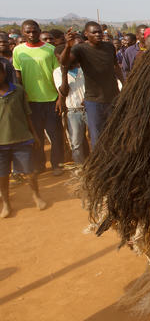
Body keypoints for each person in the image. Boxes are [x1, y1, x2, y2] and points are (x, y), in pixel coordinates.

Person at [59, 22, 123, 148]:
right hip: (94, 100)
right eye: (94, 32)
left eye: (100, 31)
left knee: (115, 133)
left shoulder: (109, 47)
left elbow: (116, 67)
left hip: (113, 98)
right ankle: (99, 164)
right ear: (86, 34)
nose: (98, 34)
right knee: (98, 136)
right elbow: (64, 62)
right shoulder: (80, 49)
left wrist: (125, 84)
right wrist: (67, 46)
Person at [12, 20, 64, 175]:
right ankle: (40, 165)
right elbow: (18, 75)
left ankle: (56, 165)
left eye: (34, 31)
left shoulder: (50, 49)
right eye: (28, 32)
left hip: (51, 99)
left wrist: (60, 98)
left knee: (55, 135)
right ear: (23, 33)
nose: (31, 34)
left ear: (39, 30)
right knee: (37, 136)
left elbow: (58, 76)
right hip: (31, 102)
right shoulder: (18, 51)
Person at [0, 62, 46, 218]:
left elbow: (27, 114)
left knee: (30, 172)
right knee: (3, 176)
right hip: (1, 144)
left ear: (4, 74)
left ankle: (36, 196)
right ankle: (6, 203)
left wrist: (35, 135)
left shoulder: (18, 91)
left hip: (22, 139)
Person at [53, 56, 87, 165]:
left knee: (97, 137)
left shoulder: (84, 69)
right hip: (73, 110)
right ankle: (79, 166)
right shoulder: (58, 72)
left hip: (89, 108)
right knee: (76, 141)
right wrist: (64, 74)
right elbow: (64, 91)